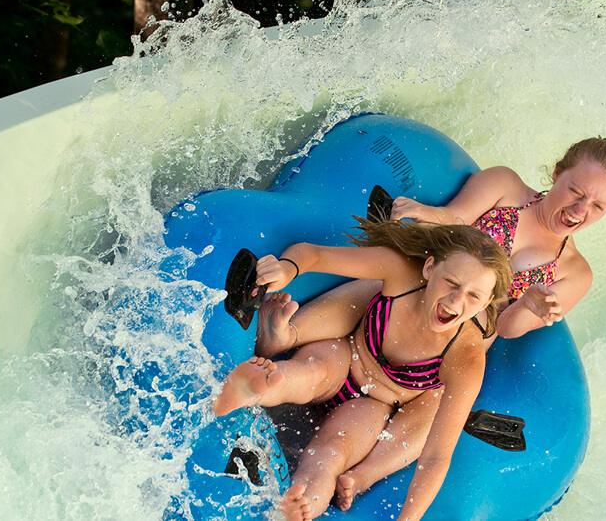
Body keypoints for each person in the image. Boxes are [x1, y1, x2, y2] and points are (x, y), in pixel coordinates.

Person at [252, 137, 606, 511]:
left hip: (443, 359)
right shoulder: (506, 186)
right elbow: (457, 217)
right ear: (557, 172)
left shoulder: (575, 274)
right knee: (383, 288)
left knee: (439, 407)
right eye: (575, 191)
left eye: (599, 206)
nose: (580, 210)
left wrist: (527, 304)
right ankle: (289, 333)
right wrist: (426, 214)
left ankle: (363, 474)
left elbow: (510, 329)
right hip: (409, 306)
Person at [211, 219, 511, 521]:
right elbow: (314, 254)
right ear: (430, 268)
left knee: (331, 453)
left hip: (376, 403)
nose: (456, 301)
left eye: (474, 296)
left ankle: (299, 507)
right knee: (307, 372)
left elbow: (436, 456)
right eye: (452, 282)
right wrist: (288, 268)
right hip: (347, 355)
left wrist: (408, 520)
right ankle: (253, 388)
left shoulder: (466, 356)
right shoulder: (401, 274)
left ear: (486, 302)